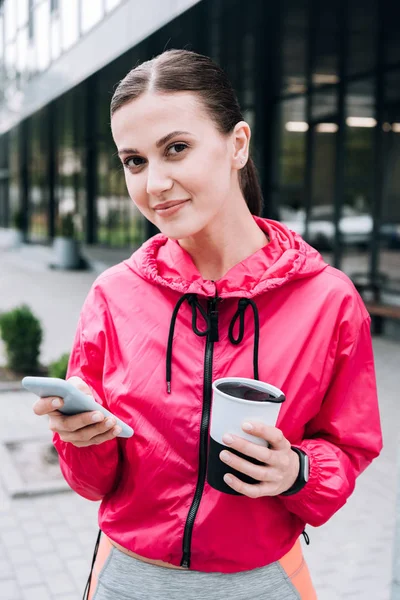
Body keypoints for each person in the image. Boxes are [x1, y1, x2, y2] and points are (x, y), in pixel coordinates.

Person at [33, 49, 382, 600]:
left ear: (237, 145)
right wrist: (81, 439)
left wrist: (294, 471)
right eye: (135, 161)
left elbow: (350, 448)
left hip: (262, 582)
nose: (155, 184)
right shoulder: (114, 294)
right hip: (130, 580)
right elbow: (94, 483)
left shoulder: (328, 300)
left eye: (176, 149)